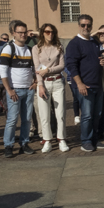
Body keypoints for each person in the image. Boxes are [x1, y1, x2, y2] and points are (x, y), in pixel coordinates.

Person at [65, 14, 104, 152]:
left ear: (92, 26)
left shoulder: (94, 42)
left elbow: (95, 60)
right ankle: (86, 141)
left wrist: (102, 62)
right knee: (87, 115)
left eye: (88, 25)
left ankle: (94, 139)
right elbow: (71, 66)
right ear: (79, 26)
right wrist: (79, 83)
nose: (86, 27)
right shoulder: (74, 43)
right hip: (84, 86)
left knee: (97, 115)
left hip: (97, 84)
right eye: (83, 25)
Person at [0, 19, 36, 158]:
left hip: (28, 89)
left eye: (25, 32)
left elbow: (35, 68)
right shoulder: (9, 48)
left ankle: (24, 143)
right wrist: (9, 90)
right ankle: (8, 145)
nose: (23, 35)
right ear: (14, 33)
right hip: (14, 90)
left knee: (27, 119)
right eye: (20, 32)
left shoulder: (30, 49)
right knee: (12, 119)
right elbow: (2, 71)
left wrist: (35, 83)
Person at [33, 24, 69, 153]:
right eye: (47, 32)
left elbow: (62, 66)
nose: (50, 34)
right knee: (44, 114)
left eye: (52, 32)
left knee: (60, 113)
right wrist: (40, 85)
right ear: (42, 33)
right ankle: (47, 140)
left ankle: (61, 138)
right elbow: (37, 68)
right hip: (44, 83)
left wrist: (48, 70)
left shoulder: (59, 47)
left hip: (57, 81)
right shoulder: (36, 48)